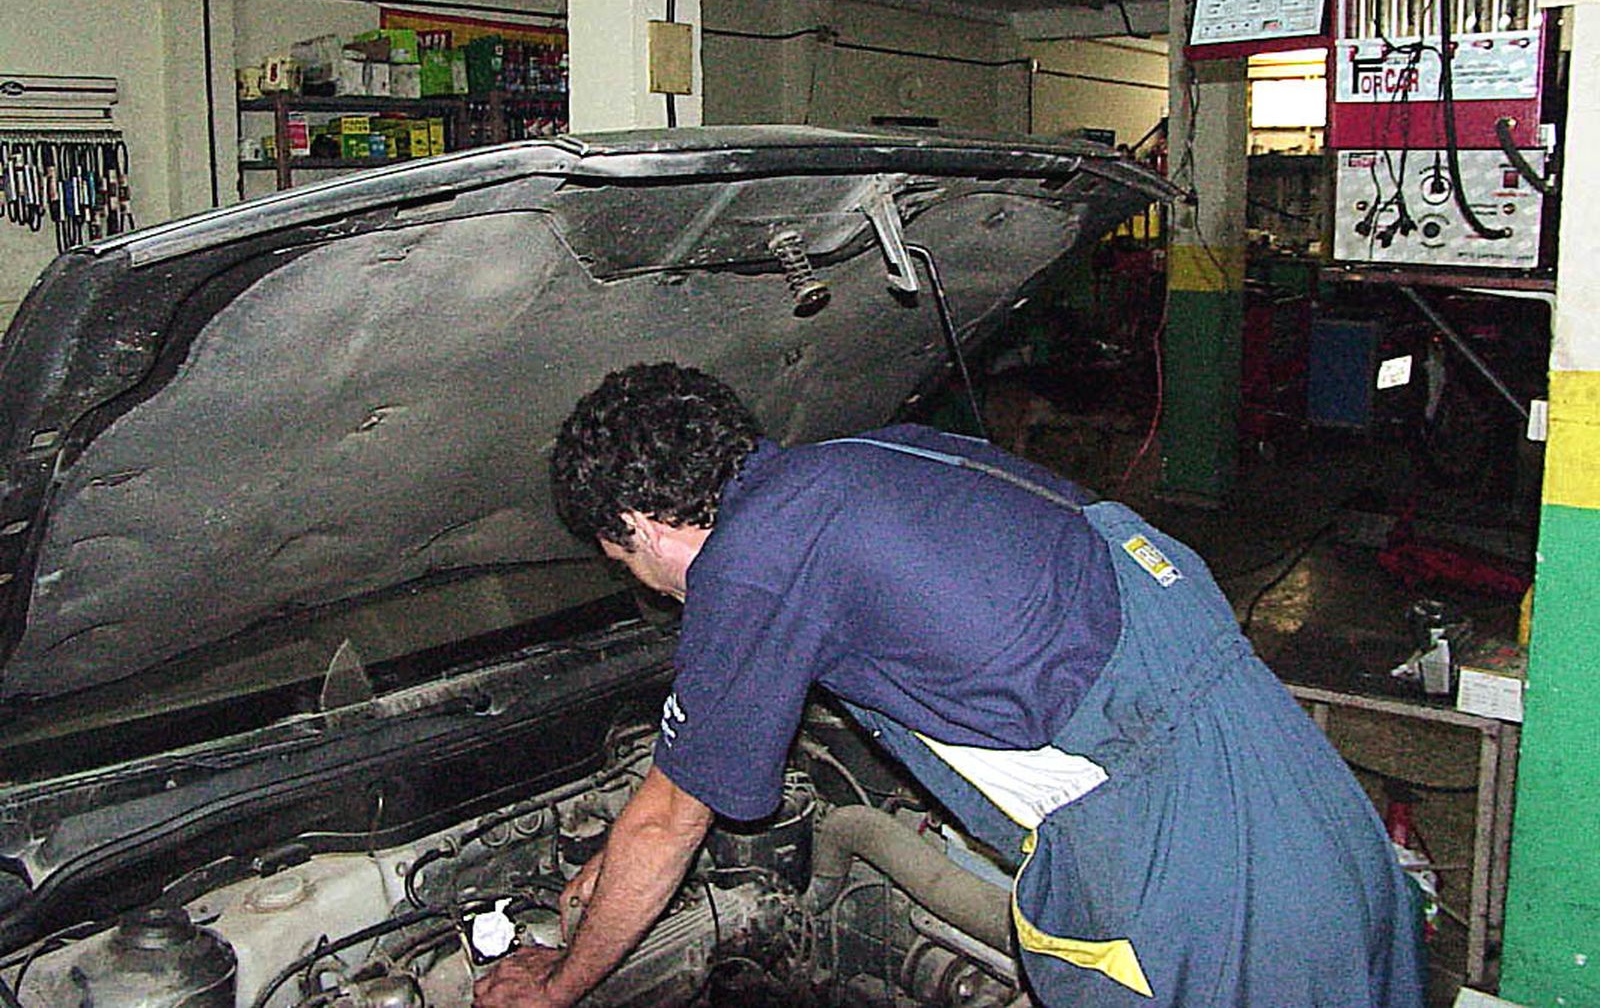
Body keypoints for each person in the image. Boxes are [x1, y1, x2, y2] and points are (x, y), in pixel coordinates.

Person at [474, 361, 1424, 1008]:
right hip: (1283, 776)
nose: (637, 581)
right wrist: (623, 864)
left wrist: (562, 982)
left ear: (636, 521)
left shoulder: (752, 559)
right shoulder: (871, 458)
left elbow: (674, 815)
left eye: (619, 557)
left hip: (1185, 848)